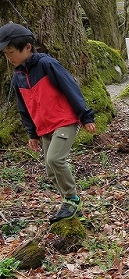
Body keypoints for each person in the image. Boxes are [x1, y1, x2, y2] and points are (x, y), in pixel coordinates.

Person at [1, 22, 96, 223]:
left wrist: (85, 116)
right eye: (5, 54)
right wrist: (32, 133)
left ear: (27, 47)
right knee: (50, 169)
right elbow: (23, 107)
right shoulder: (18, 75)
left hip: (64, 121)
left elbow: (70, 87)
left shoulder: (46, 64)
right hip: (43, 127)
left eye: (11, 52)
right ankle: (70, 207)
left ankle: (72, 198)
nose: (9, 58)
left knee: (55, 159)